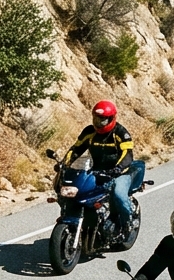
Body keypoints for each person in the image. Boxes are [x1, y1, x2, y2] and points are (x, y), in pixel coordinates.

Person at [62, 100, 147, 234]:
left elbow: (127, 154)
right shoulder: (89, 132)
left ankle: (127, 223)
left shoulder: (120, 133)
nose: (98, 123)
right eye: (96, 118)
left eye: (102, 120)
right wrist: (64, 164)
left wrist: (118, 169)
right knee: (78, 192)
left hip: (120, 172)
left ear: (111, 119)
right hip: (97, 171)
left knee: (118, 193)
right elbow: (76, 149)